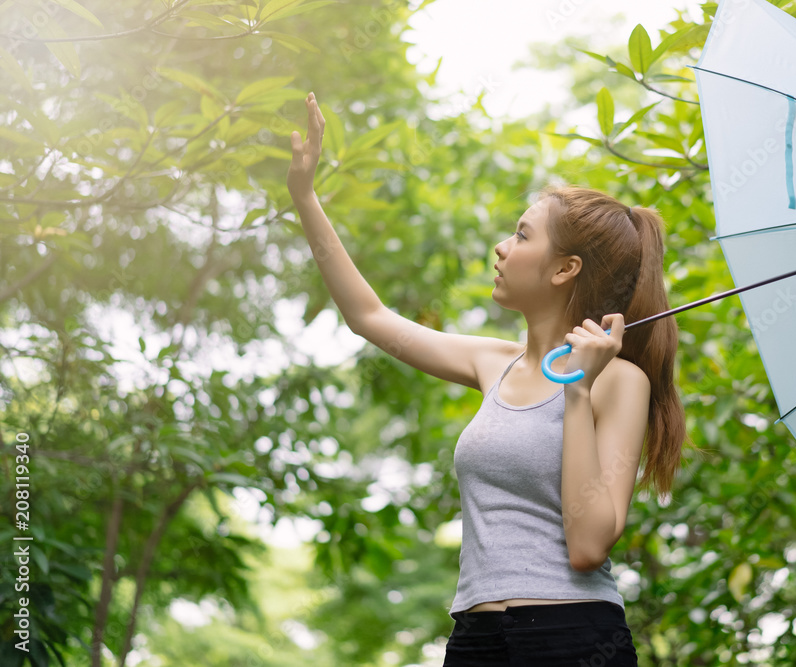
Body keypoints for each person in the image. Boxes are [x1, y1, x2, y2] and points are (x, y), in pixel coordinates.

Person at [288, 93, 686, 666]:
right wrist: (305, 197)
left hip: (572, 636)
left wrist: (576, 392)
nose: (502, 247)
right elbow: (369, 318)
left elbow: (590, 543)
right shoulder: (490, 362)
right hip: (473, 638)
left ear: (564, 269)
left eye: (523, 236)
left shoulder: (618, 380)